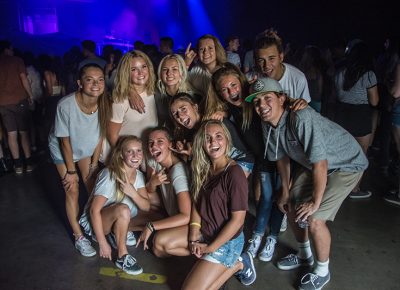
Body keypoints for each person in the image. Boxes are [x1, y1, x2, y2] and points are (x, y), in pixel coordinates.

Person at [246, 76, 368, 290]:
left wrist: (314, 202)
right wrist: (285, 191)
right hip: (315, 165)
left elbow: (320, 163)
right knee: (289, 204)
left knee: (314, 219)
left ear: (281, 98)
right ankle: (304, 254)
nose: (262, 106)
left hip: (345, 163)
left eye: (267, 98)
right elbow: (281, 158)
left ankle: (322, 271)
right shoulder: (268, 122)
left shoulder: (300, 117)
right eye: (257, 102)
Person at [182, 119, 256, 289]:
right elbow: (197, 202)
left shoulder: (235, 173)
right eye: (207, 138)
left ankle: (238, 263)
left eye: (218, 136)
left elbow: (238, 221)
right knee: (162, 245)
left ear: (227, 140)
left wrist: (209, 248)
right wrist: (194, 235)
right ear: (201, 143)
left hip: (226, 243)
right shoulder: (203, 168)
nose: (213, 142)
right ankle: (224, 267)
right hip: (206, 234)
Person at [48, 63, 106, 256]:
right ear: (80, 83)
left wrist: (95, 163)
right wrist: (71, 172)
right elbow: (64, 143)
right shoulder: (66, 105)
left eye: (100, 80)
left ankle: (94, 225)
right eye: (90, 80)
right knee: (72, 188)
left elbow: (100, 136)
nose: (96, 84)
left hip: (86, 146)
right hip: (64, 149)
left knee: (93, 184)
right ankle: (78, 235)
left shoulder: (104, 102)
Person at [79, 135, 150, 275]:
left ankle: (117, 232)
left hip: (118, 216)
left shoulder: (139, 175)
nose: (135, 155)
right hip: (96, 221)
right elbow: (94, 211)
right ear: (121, 155)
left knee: (157, 217)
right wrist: (102, 243)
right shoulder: (109, 174)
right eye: (130, 151)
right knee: (123, 210)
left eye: (139, 151)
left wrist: (133, 193)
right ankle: (122, 256)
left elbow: (146, 207)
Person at [135, 127, 191, 257]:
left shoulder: (178, 173)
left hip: (191, 223)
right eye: (151, 143)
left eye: (160, 141)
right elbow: (148, 191)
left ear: (170, 145)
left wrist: (151, 226)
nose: (154, 146)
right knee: (157, 251)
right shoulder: (158, 163)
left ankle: (206, 251)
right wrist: (153, 183)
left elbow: (186, 216)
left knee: (160, 242)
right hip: (173, 215)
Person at [334, 40, 379, 198]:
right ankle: (355, 189)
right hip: (360, 115)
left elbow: (337, 94)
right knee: (361, 154)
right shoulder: (369, 74)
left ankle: (338, 188)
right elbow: (374, 101)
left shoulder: (340, 71)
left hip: (342, 113)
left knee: (341, 152)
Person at [169, 92, 254, 174]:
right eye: (175, 114)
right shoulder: (192, 136)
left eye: (183, 109)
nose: (180, 116)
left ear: (195, 107)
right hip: (227, 167)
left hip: (244, 161)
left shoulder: (216, 122)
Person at [103, 50, 161, 163]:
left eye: (143, 67)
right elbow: (112, 136)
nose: (141, 72)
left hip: (146, 155)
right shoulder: (120, 100)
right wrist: (126, 159)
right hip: (127, 157)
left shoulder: (154, 91)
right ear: (126, 72)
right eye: (133, 69)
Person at [0, 40, 34, 174]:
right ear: (7, 49)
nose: (12, 50)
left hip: (2, 103)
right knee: (24, 133)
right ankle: (29, 162)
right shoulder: (17, 60)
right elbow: (23, 78)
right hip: (19, 100)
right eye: (11, 48)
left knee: (11, 134)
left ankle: (18, 165)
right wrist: (30, 95)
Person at [250, 29, 311, 103]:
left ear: (281, 57)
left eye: (271, 58)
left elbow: (305, 110)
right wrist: (249, 89)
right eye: (261, 60)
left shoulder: (298, 78)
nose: (267, 66)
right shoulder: (251, 78)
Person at [184, 34, 227, 100]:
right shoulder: (196, 69)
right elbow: (183, 83)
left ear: (217, 50)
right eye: (201, 49)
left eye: (210, 48)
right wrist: (186, 64)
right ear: (198, 52)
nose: (205, 52)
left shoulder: (226, 71)